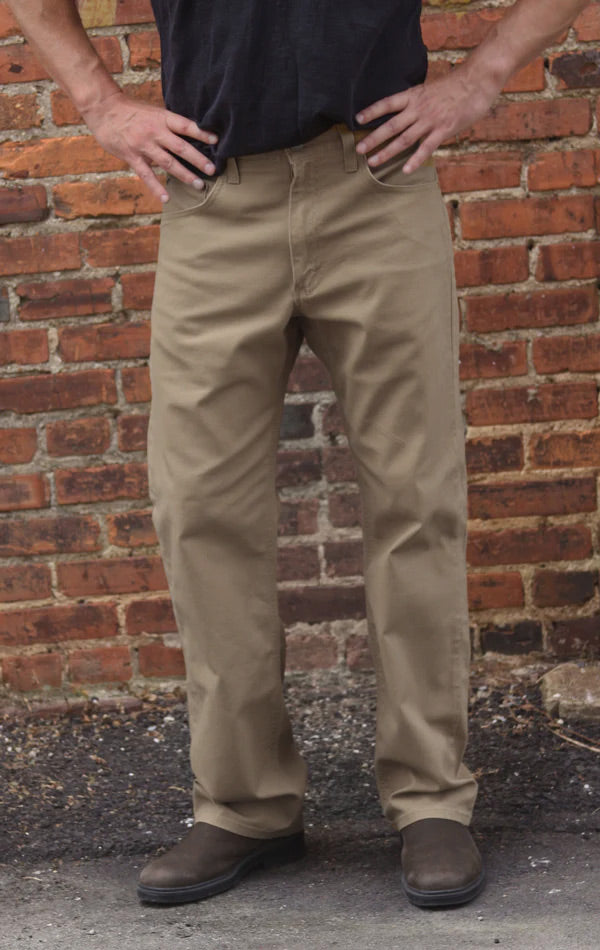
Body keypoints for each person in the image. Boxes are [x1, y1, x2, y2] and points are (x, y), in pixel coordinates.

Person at [8, 0, 590, 910]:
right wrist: (96, 102)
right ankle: (244, 806)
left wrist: (478, 81)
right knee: (197, 505)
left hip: (375, 182)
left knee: (416, 497)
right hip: (213, 193)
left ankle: (431, 795)